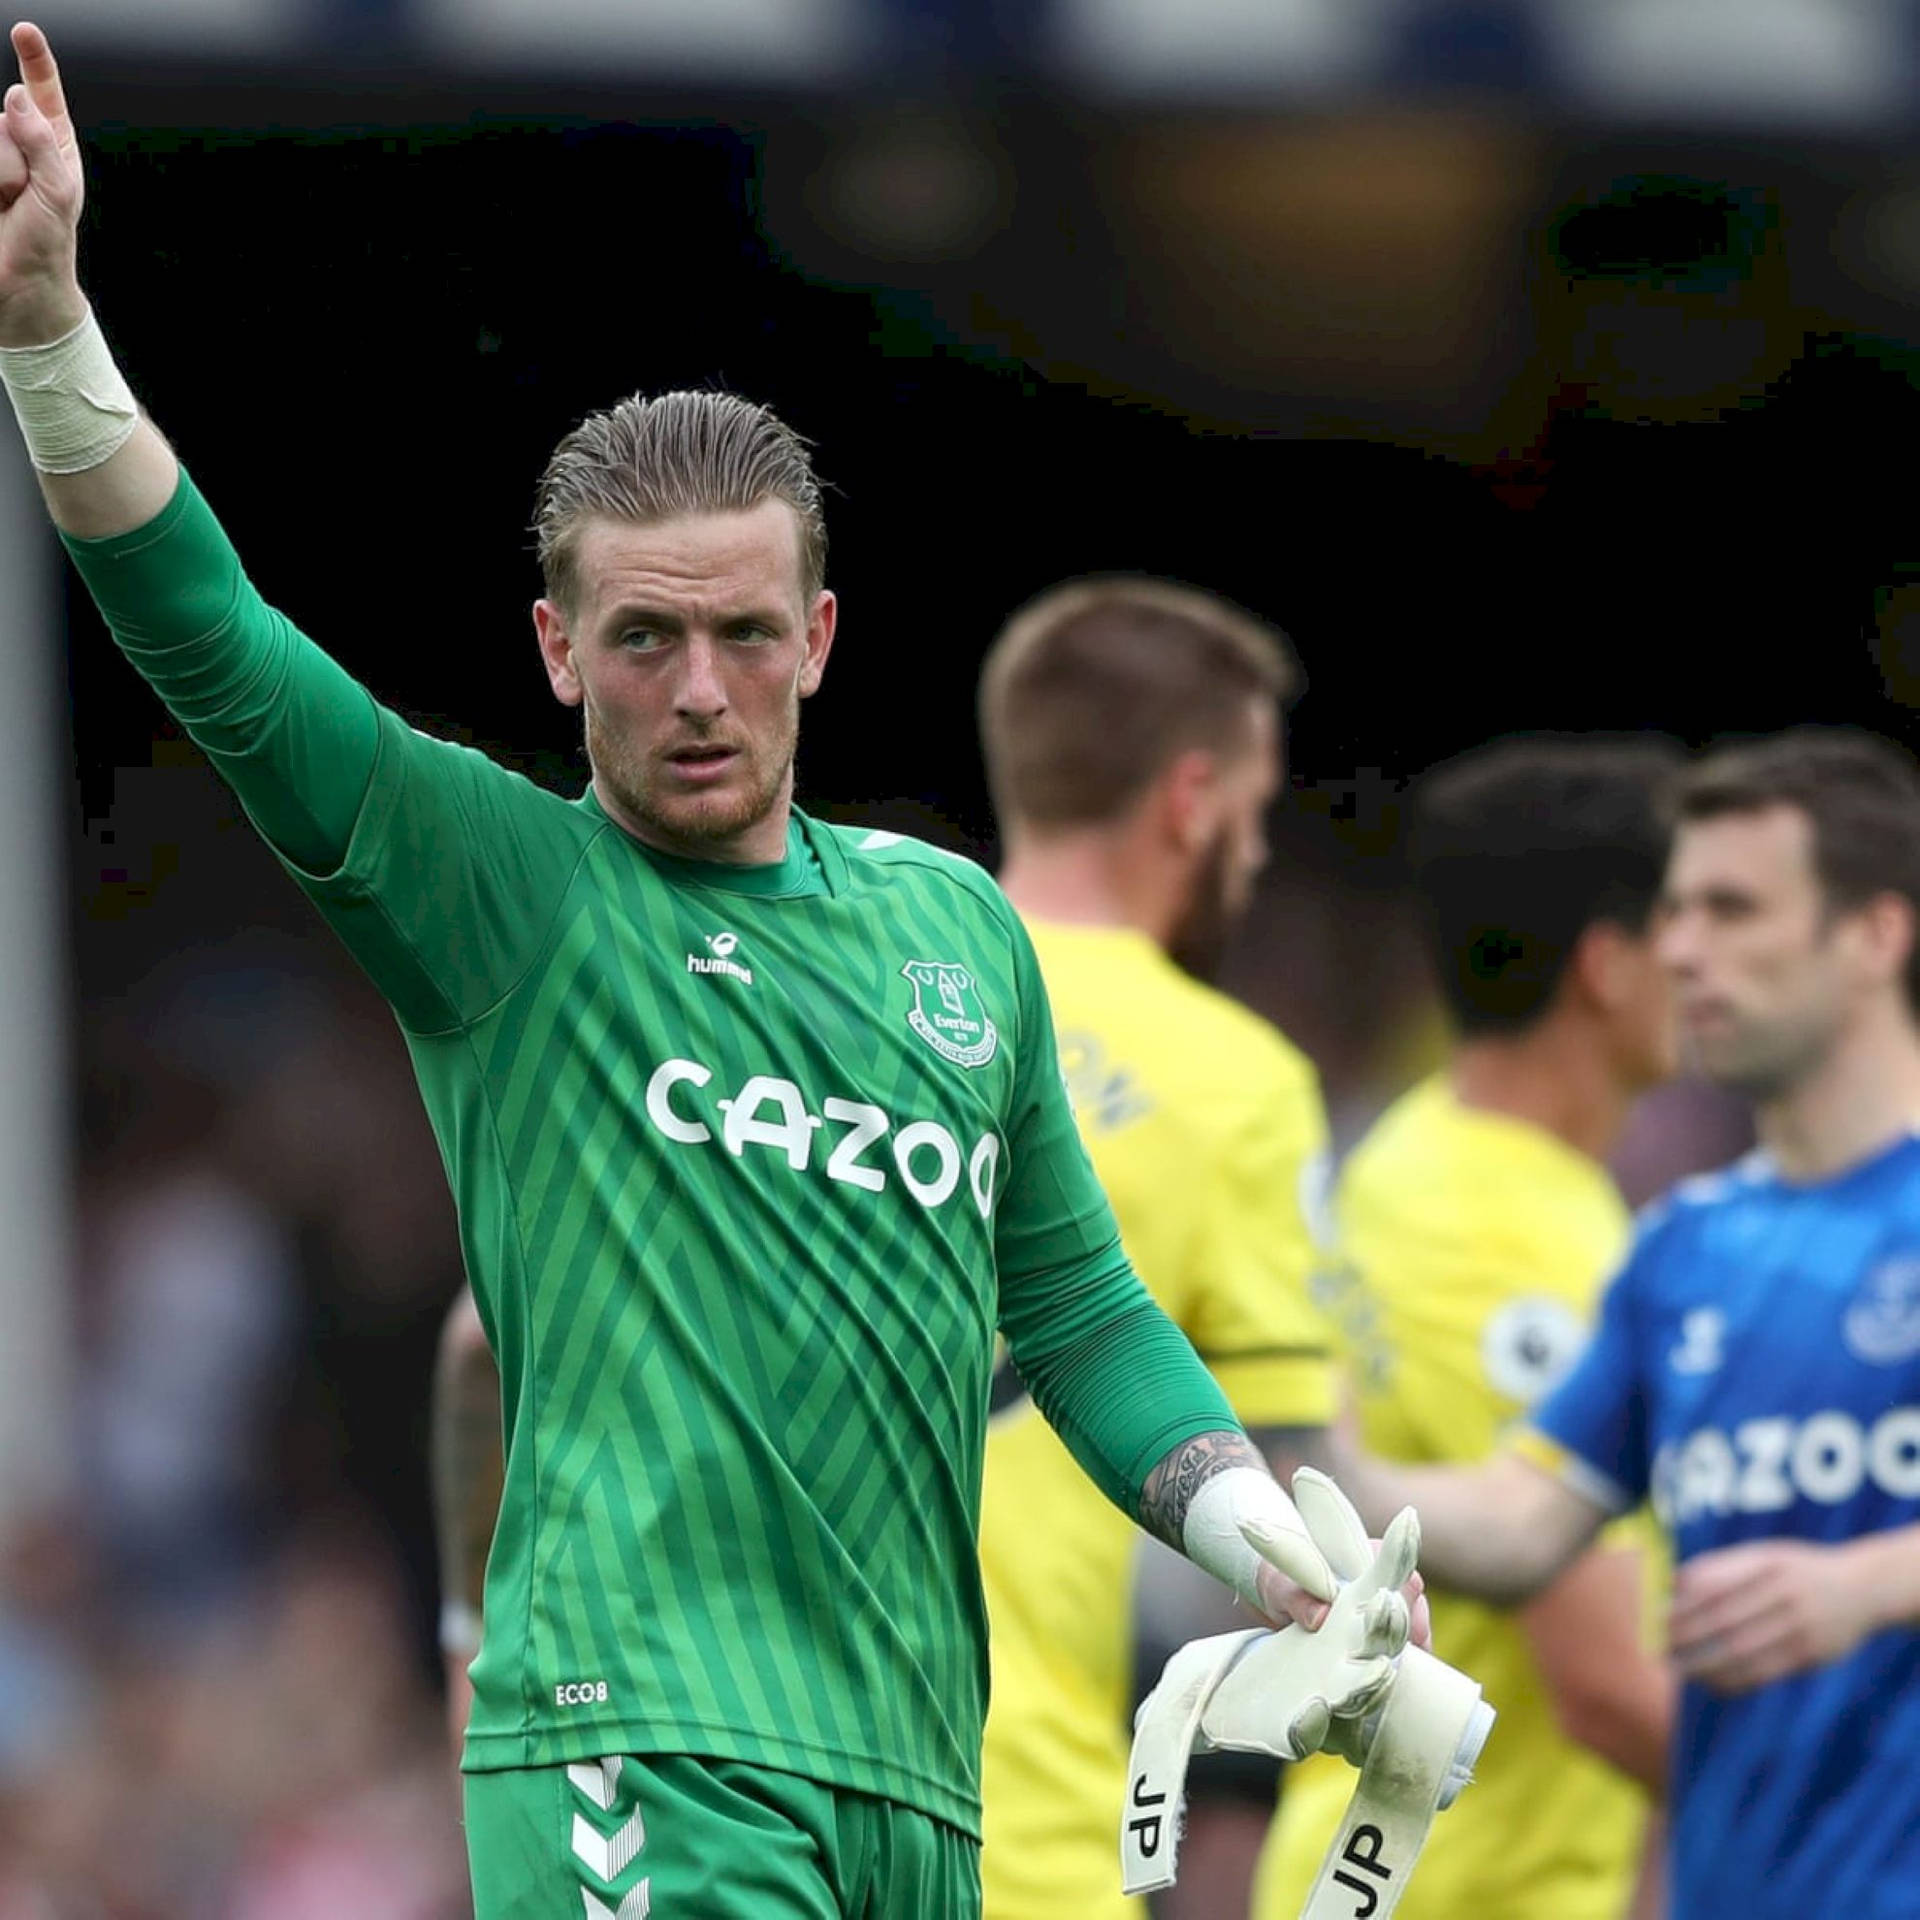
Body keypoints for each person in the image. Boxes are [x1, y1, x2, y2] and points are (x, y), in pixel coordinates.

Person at [0, 26, 1414, 1917]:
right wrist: (44, 330)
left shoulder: (956, 931)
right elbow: (214, 640)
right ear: (555, 647)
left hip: (921, 1776)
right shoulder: (500, 888)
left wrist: (1262, 1539)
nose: (696, 690)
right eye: (643, 637)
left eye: (744, 634)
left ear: (819, 636)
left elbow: (1073, 1315)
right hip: (637, 1741)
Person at [1335, 729, 1920, 1919]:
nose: (1685, 950)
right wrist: (1294, 1457)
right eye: (1676, 910)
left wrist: (1873, 1582)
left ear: (1873, 934)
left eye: (1734, 909)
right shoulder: (1681, 1247)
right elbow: (1524, 1516)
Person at [1255, 739, 1677, 1920]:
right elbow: (1600, 1682)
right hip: (1462, 1886)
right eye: (1683, 921)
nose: (1701, 961)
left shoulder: (1413, 1157)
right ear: (1606, 966)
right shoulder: (1514, 1248)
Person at [971, 579, 1338, 1920]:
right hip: (1016, 1822)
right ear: (1190, 799)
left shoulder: (834, 1004)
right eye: (1253, 812)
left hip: (737, 1799)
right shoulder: (1239, 1084)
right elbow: (1302, 1525)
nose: (1250, 855)